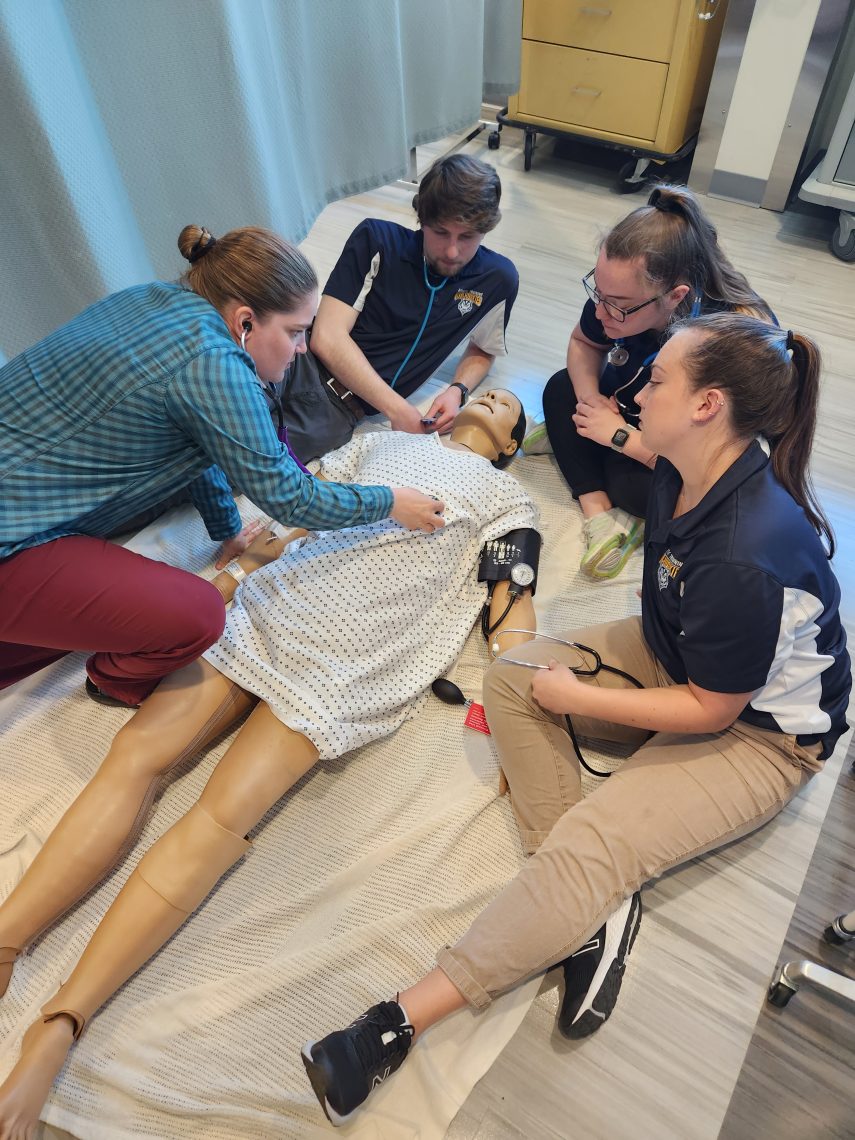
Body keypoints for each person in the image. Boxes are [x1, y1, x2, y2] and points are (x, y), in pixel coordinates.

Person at [300, 314, 850, 1128]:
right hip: (679, 654)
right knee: (519, 678)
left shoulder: (744, 550)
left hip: (759, 737)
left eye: (656, 377)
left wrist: (581, 698)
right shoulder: (683, 460)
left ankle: (392, 1024)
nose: (638, 387)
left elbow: (712, 709)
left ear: (705, 405)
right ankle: (594, 912)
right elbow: (582, 406)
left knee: (586, 831)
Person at [0, 391, 538, 1138]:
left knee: (221, 821)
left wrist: (520, 701)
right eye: (490, 387)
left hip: (350, 659)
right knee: (137, 755)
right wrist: (240, 566)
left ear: (512, 443)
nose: (492, 395)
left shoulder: (509, 499)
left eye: (508, 404)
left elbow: (513, 606)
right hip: (272, 606)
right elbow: (293, 508)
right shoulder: (377, 440)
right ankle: (4, 942)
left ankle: (60, 1023)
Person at [0, 225, 442, 709]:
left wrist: (227, 528)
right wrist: (391, 501)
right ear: (245, 322)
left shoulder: (153, 296)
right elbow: (293, 498)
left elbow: (193, 439)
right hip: (13, 539)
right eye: (295, 332)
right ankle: (113, 680)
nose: (301, 349)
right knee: (199, 615)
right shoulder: (214, 363)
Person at [541, 184, 774, 581]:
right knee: (561, 388)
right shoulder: (617, 295)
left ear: (675, 296)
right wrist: (591, 401)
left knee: (643, 490)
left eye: (617, 305)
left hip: (685, 450)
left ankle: (600, 475)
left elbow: (719, 467)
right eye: (597, 291)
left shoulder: (727, 339)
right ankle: (599, 511)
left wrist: (620, 438)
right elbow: (584, 341)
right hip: (635, 419)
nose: (601, 311)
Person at [274, 154, 519, 461]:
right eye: (441, 232)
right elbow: (327, 336)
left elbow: (484, 349)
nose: (453, 250)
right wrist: (397, 408)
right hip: (294, 362)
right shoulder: (377, 240)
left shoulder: (498, 280)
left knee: (239, 462)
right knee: (211, 413)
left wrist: (457, 390)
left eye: (467, 237)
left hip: (338, 414)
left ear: (486, 230)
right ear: (423, 219)